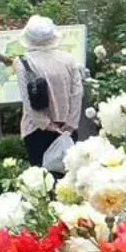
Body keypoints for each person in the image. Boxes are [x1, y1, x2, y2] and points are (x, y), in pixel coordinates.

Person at [15, 16, 84, 167]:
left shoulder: (23, 63)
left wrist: (47, 125)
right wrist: (71, 124)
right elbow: (77, 93)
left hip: (36, 130)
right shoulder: (68, 59)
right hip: (67, 129)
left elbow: (28, 102)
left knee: (41, 183)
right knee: (68, 179)